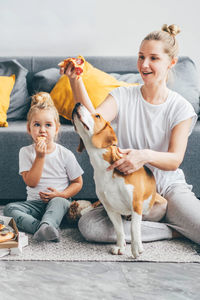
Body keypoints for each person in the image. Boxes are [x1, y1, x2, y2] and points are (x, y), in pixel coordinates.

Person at [60, 24, 200, 245]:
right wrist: (76, 81)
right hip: (125, 186)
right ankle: (172, 230)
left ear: (171, 63)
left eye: (153, 58)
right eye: (141, 56)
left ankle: (162, 221)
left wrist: (143, 156)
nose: (144, 64)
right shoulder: (122, 96)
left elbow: (175, 159)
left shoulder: (180, 108)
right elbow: (94, 123)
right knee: (90, 227)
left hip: (167, 188)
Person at [4, 92, 83, 242]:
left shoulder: (64, 154)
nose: (42, 130)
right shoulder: (25, 152)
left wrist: (62, 194)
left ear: (57, 128)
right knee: (9, 209)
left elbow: (78, 182)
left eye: (48, 125)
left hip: (59, 203)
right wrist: (40, 157)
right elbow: (31, 182)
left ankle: (47, 223)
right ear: (29, 128)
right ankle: (42, 228)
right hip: (34, 205)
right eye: (37, 125)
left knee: (59, 202)